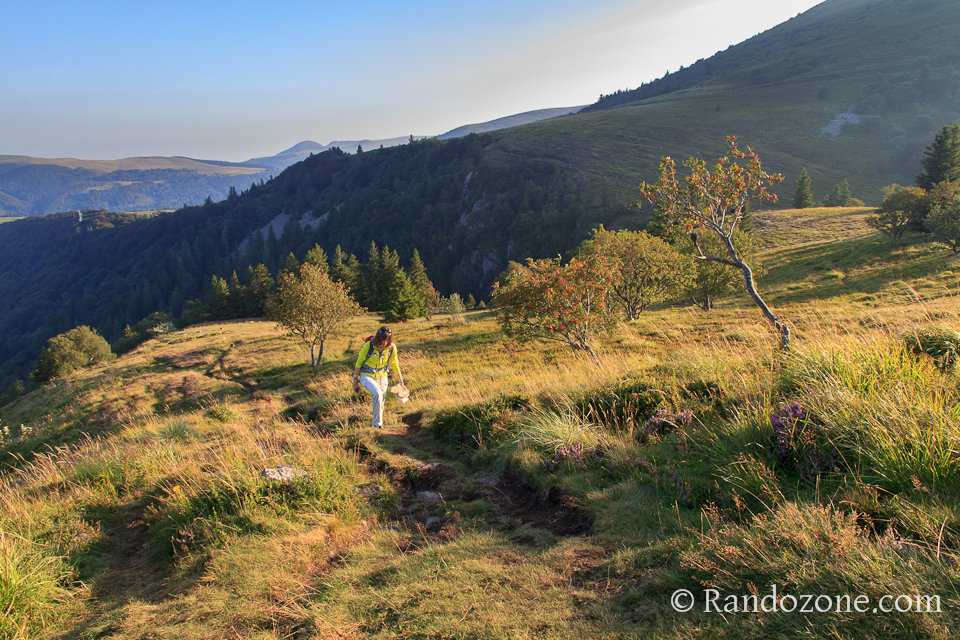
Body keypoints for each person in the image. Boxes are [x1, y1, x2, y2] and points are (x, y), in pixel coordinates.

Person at [353, 326, 404, 428]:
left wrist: (401, 382)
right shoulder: (368, 346)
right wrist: (355, 380)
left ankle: (377, 424)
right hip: (367, 375)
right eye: (382, 340)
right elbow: (359, 362)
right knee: (377, 393)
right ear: (377, 338)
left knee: (381, 401)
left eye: (387, 340)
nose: (384, 343)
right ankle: (377, 425)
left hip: (383, 376)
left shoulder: (392, 347)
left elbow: (394, 363)